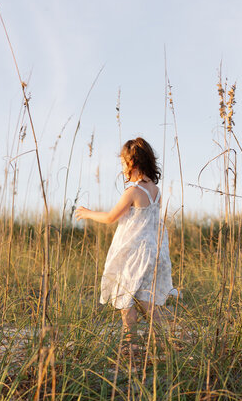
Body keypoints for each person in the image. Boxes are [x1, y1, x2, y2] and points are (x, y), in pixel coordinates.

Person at [75, 137, 176, 351]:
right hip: (154, 251)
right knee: (148, 302)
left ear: (134, 163)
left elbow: (112, 217)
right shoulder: (155, 191)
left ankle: (130, 342)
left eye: (123, 163)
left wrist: (87, 213)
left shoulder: (133, 192)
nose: (122, 168)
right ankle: (162, 343)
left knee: (126, 297)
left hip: (135, 253)